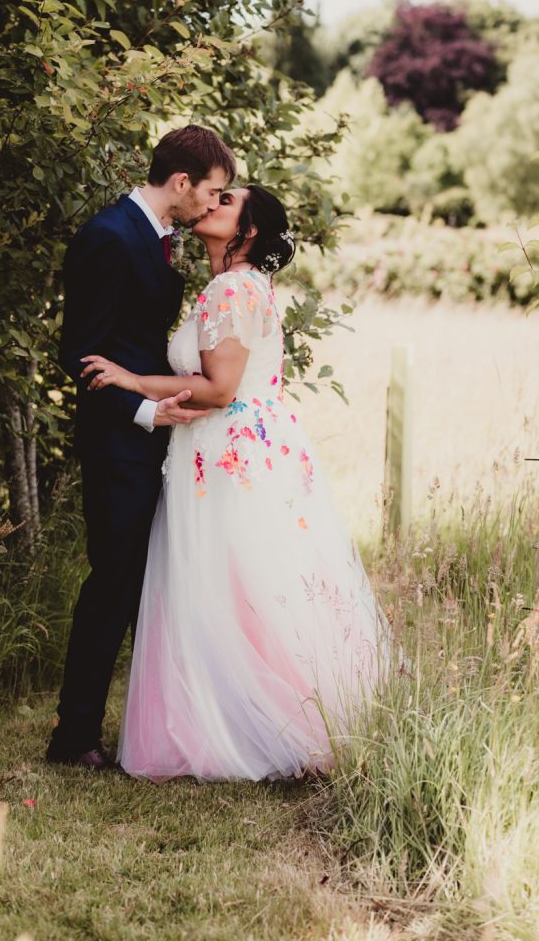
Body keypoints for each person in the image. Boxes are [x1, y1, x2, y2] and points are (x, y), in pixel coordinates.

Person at [81, 184, 392, 781]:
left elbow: (220, 389)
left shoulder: (231, 287)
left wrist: (128, 378)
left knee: (226, 583)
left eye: (225, 201)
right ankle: (252, 716)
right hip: (244, 446)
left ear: (247, 231)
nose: (211, 203)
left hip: (227, 451)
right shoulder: (246, 285)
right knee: (241, 584)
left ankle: (253, 726)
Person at [46, 126, 237, 769]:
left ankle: (161, 722)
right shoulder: (108, 236)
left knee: (148, 582)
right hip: (118, 439)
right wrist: (144, 409)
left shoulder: (159, 238)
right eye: (211, 192)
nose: (214, 205)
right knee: (114, 582)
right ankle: (73, 739)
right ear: (181, 182)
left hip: (157, 438)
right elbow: (79, 353)